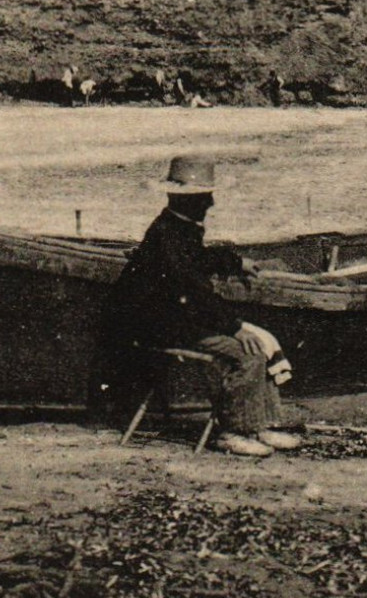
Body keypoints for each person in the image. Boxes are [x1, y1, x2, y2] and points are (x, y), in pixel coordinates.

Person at [98, 155, 301, 458]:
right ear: (186, 200)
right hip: (163, 328)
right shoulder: (169, 237)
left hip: (174, 320)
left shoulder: (177, 229)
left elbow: (199, 261)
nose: (210, 204)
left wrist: (235, 262)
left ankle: (260, 424)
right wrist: (233, 326)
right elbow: (192, 289)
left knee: (258, 342)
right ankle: (233, 431)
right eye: (205, 197)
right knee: (250, 351)